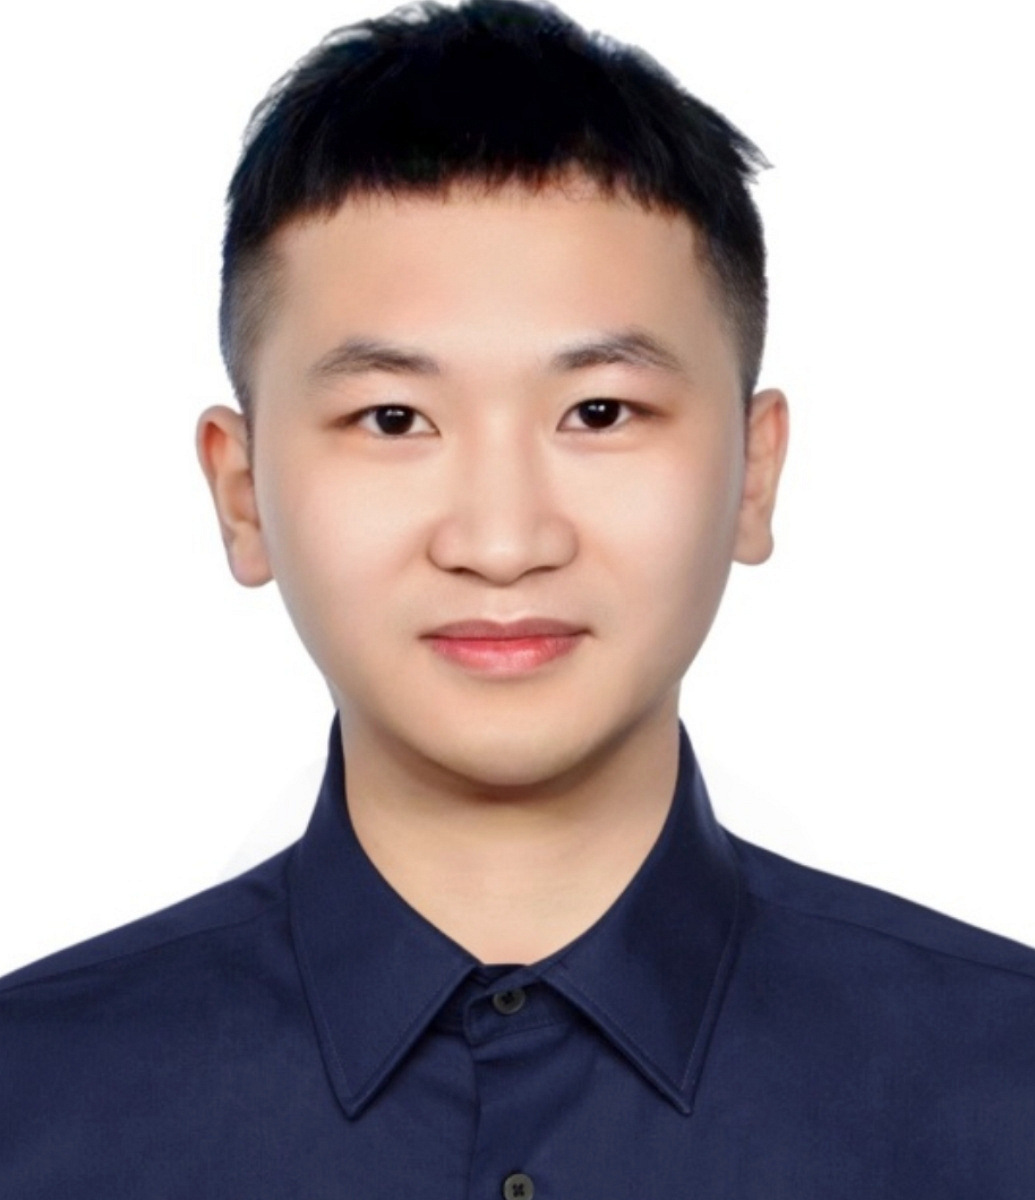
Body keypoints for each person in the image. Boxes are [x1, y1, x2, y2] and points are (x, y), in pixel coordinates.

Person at [1, 1, 1032, 1195]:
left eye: (598, 412)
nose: (501, 542)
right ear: (243, 495)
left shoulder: (1003, 1087)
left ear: (754, 474)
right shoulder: (32, 1102)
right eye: (394, 419)